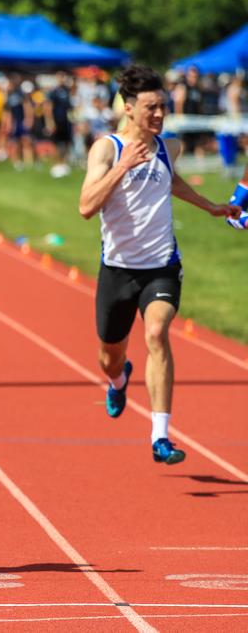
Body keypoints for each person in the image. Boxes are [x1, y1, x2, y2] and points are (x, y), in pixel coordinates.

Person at [78, 65, 239, 464]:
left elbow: (171, 181)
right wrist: (122, 167)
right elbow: (85, 207)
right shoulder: (106, 149)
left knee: (156, 332)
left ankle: (160, 436)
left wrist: (211, 207)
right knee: (108, 357)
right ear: (129, 108)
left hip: (161, 265)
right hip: (117, 269)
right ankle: (118, 380)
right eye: (151, 108)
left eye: (163, 107)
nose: (159, 115)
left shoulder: (170, 148)